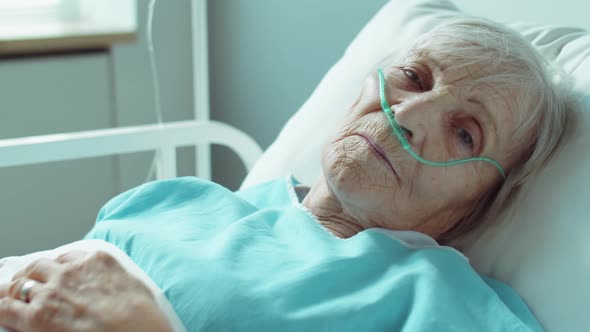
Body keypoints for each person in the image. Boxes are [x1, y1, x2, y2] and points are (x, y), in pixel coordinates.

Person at [0, 17, 569, 332]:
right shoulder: (177, 199)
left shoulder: (443, 304)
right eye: (414, 78)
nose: (408, 117)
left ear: (481, 200)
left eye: (466, 132)